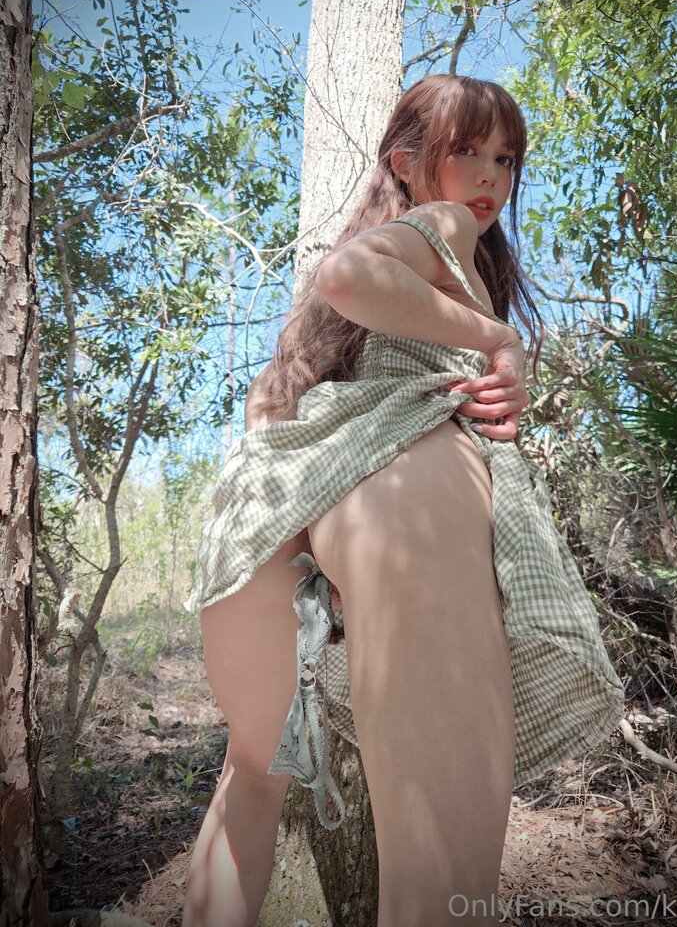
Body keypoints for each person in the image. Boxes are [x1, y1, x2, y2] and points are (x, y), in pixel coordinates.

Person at [181, 74, 624, 927]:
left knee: (252, 779)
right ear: (407, 163)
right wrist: (497, 337)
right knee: (438, 891)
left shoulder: (331, 336)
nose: (490, 177)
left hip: (268, 510)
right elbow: (348, 276)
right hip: (401, 474)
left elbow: (269, 404)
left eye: (507, 159)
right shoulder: (444, 228)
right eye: (468, 152)